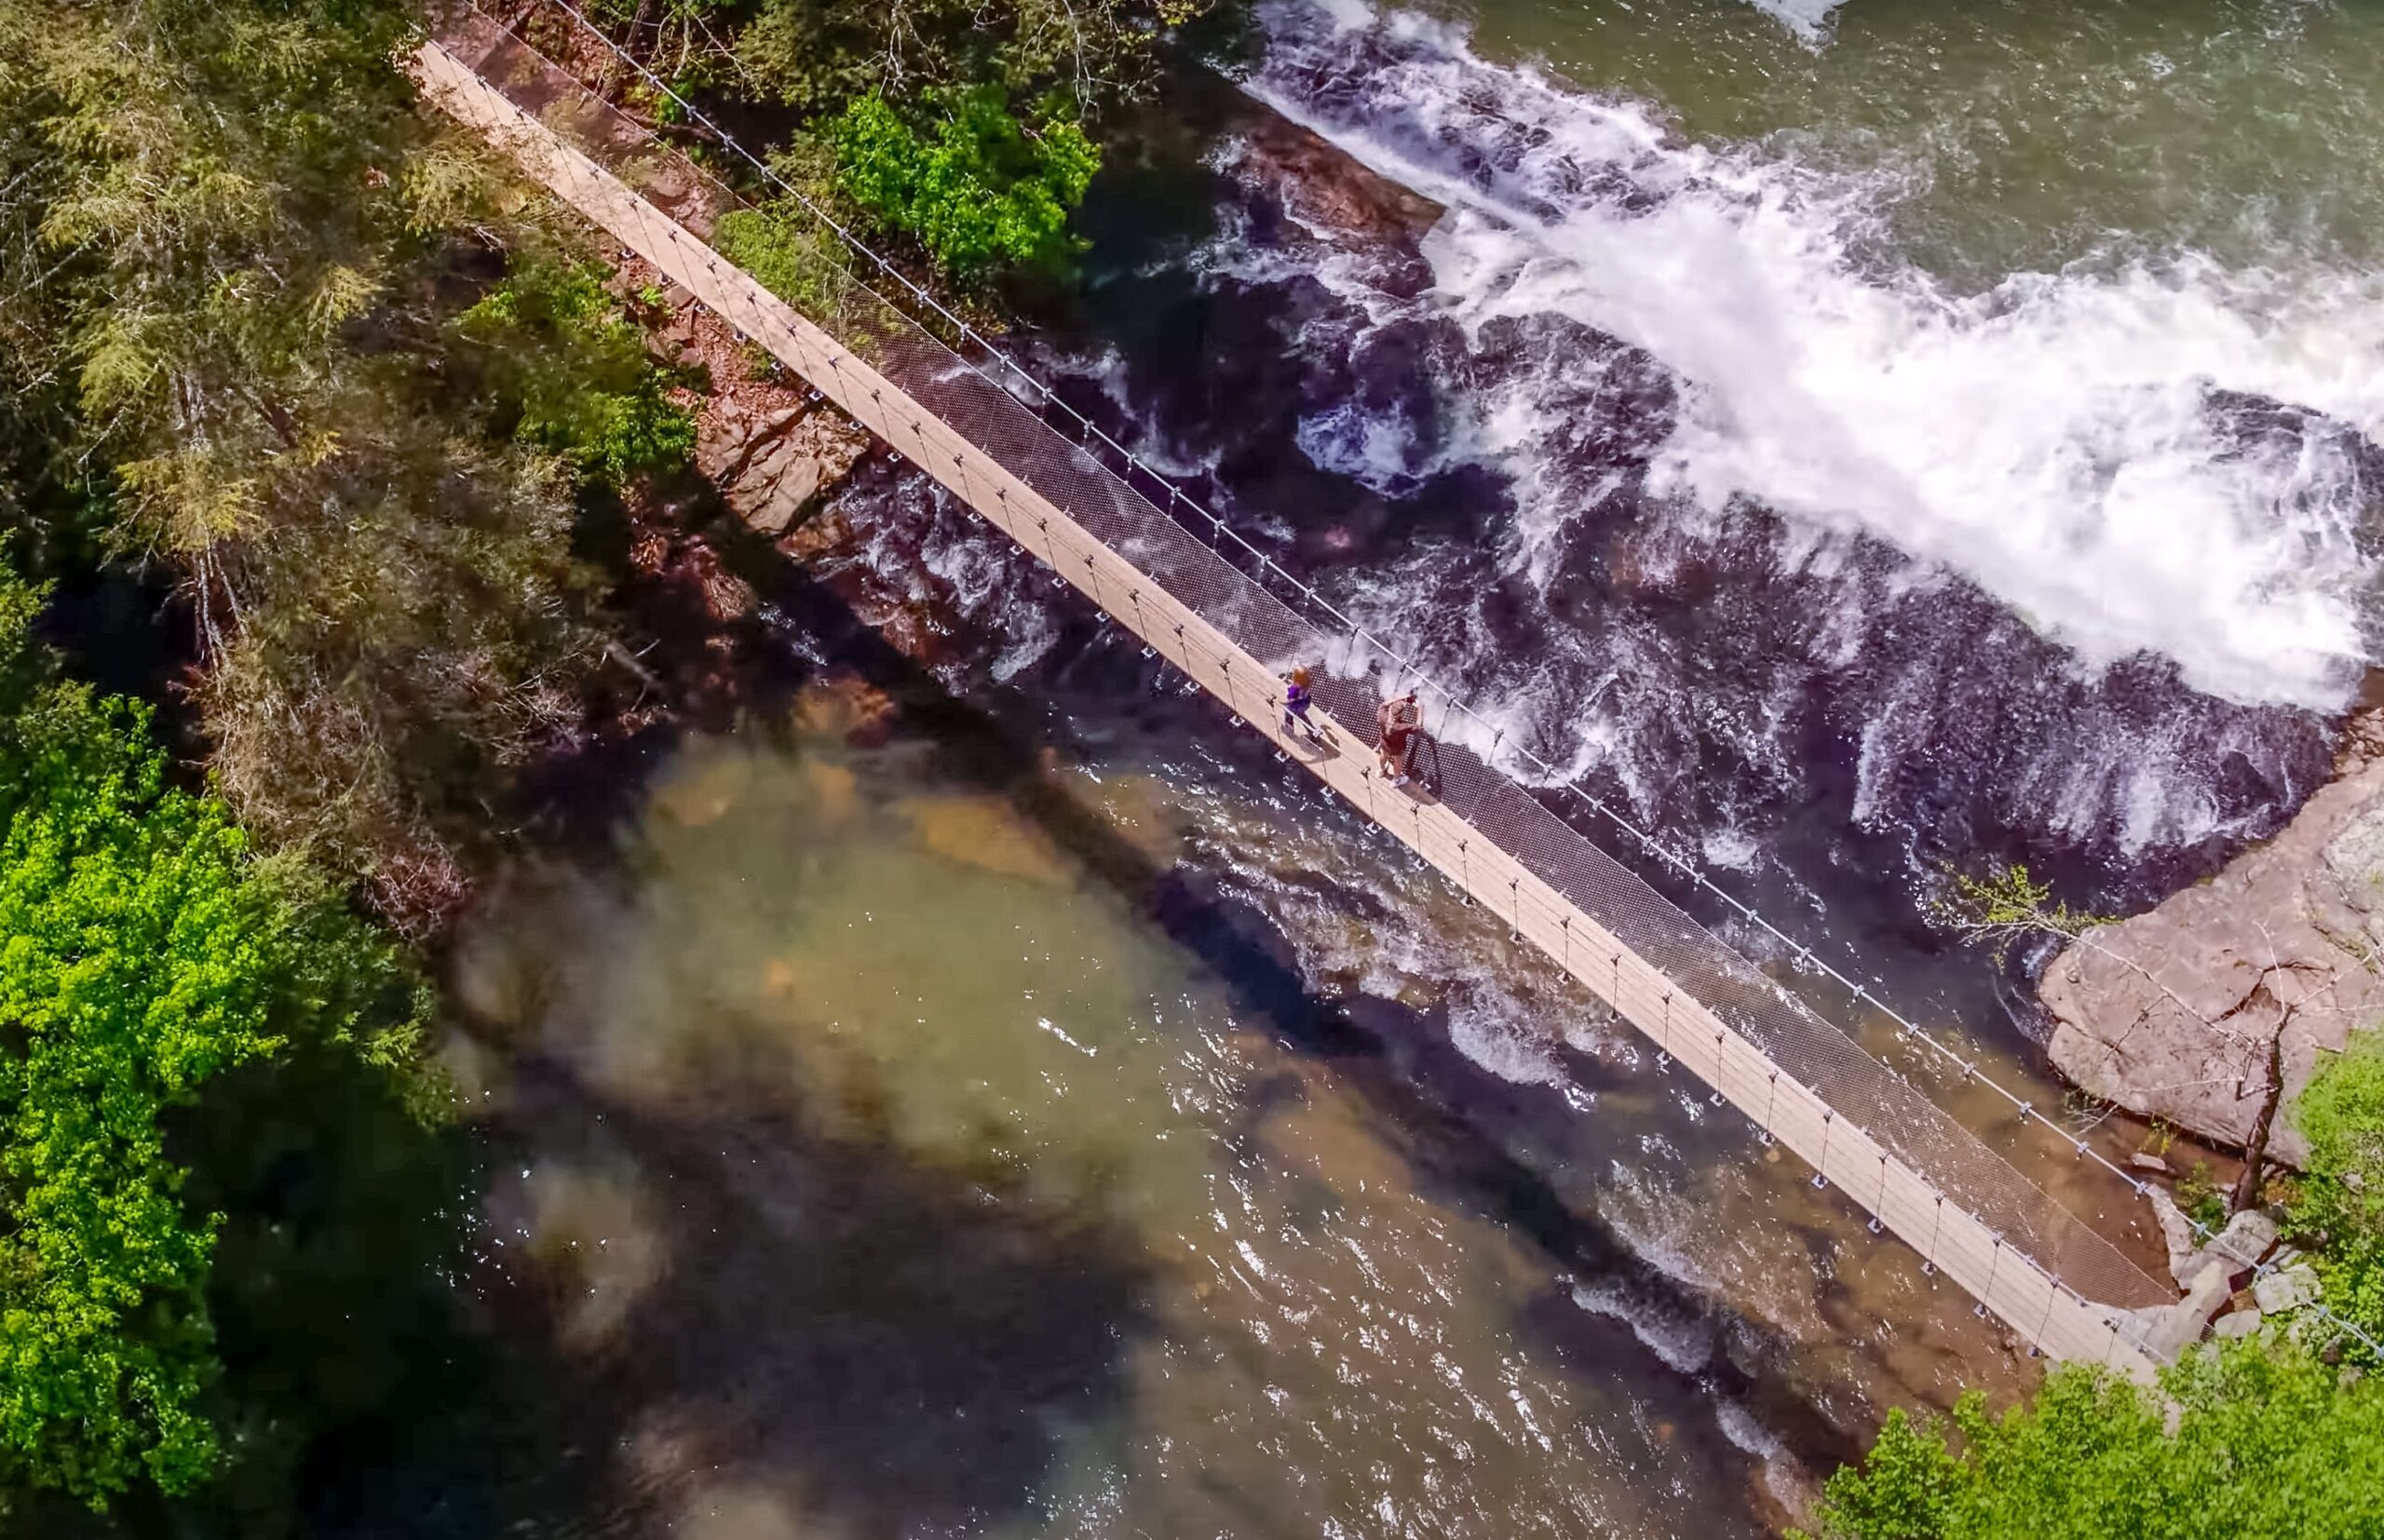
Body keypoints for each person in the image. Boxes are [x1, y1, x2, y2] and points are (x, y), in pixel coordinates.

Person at [1376, 690, 1420, 786]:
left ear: (1390, 709)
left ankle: (1381, 770)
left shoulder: (1382, 715)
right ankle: (1396, 780)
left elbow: (1384, 704)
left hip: (1384, 743)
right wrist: (1420, 709)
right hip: (1397, 748)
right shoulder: (1401, 727)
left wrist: (1401, 698)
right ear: (1401, 714)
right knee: (1398, 762)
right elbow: (1418, 727)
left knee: (1383, 755)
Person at [1281, 666, 1321, 743]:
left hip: (1296, 706)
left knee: (1288, 715)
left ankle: (1289, 731)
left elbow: (1291, 697)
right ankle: (1312, 733)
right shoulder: (1307, 682)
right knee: (1303, 717)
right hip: (1305, 703)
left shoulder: (1295, 688)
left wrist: (1286, 702)